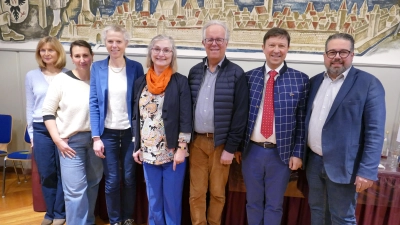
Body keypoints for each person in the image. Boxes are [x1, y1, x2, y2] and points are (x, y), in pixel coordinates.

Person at [304, 33, 386, 224]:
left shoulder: (368, 84)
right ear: (325, 55)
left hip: (344, 166)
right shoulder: (314, 82)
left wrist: (367, 171)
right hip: (314, 163)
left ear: (352, 55)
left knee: (342, 217)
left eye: (343, 52)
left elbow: (375, 132)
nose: (337, 56)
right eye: (332, 52)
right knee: (317, 211)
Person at [236, 27, 309, 225]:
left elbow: (302, 121)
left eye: (281, 46)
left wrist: (298, 153)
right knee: (253, 202)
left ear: (288, 48)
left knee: (274, 204)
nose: (276, 50)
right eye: (272, 45)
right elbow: (240, 115)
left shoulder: (300, 80)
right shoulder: (249, 77)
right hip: (252, 151)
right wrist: (236, 147)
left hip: (282, 154)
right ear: (263, 48)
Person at [188, 20, 248, 225]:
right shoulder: (195, 71)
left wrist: (231, 148)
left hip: (221, 144)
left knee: (217, 193)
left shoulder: (237, 73)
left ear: (226, 43)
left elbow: (240, 115)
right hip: (197, 143)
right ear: (203, 42)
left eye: (219, 39)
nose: (214, 43)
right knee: (196, 193)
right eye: (210, 39)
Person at [132, 34, 192, 225]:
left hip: (172, 152)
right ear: (151, 52)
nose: (161, 53)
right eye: (157, 49)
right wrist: (137, 146)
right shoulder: (140, 82)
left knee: (172, 201)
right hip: (148, 153)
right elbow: (137, 117)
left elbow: (185, 116)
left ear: (172, 54)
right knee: (154, 201)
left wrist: (182, 148)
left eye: (166, 50)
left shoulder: (180, 81)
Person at [42, 40, 103, 225]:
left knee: (92, 185)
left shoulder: (99, 78)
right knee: (75, 190)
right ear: (72, 58)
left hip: (96, 141)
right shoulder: (61, 80)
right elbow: (47, 113)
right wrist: (58, 140)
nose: (82, 59)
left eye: (85, 55)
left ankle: (88, 221)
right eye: (77, 56)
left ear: (92, 56)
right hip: (71, 143)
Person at [89, 25, 144, 225]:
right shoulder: (97, 68)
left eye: (118, 41)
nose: (114, 45)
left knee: (129, 178)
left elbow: (140, 104)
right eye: (110, 41)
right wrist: (96, 137)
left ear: (126, 44)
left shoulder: (136, 67)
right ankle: (115, 220)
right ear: (105, 43)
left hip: (130, 133)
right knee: (112, 180)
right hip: (107, 133)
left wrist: (139, 136)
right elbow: (94, 103)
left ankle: (128, 217)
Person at [25, 36, 66, 225]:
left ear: (58, 53)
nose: (46, 53)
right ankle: (50, 213)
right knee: (47, 172)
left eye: (50, 50)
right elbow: (30, 106)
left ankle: (60, 212)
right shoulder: (31, 76)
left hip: (63, 128)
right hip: (41, 130)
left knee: (63, 172)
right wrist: (32, 134)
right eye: (43, 50)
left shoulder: (67, 75)